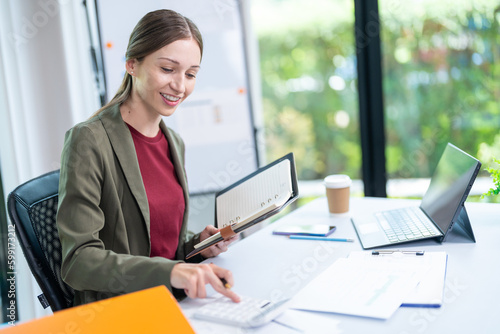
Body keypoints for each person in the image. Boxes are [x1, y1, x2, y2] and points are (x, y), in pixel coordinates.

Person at [56, 9, 240, 305]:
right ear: (132, 64)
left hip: (173, 301)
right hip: (121, 309)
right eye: (168, 69)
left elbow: (158, 248)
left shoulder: (173, 143)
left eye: (190, 74)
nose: (180, 86)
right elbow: (79, 261)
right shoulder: (89, 140)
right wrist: (173, 271)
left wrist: (198, 247)